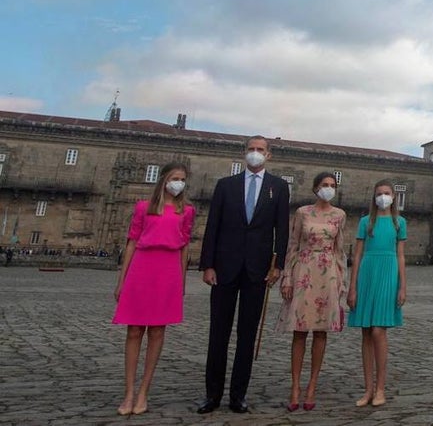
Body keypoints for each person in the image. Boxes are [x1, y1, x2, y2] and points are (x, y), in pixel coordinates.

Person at [197, 136, 290, 415]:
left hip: (257, 270)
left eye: (260, 150)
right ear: (243, 152)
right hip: (224, 267)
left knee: (247, 335)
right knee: (218, 333)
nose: (255, 153)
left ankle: (238, 395)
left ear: (269, 155)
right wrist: (208, 264)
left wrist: (278, 265)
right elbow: (213, 225)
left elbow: (281, 229)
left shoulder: (278, 187)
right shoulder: (226, 185)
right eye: (251, 149)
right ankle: (212, 394)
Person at [112, 162, 195, 416]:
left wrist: (181, 281)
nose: (178, 183)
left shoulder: (187, 211)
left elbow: (184, 248)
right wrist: (122, 280)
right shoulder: (143, 207)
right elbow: (131, 242)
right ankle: (128, 392)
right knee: (134, 331)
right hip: (141, 268)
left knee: (157, 331)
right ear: (164, 180)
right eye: (175, 178)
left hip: (168, 270)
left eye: (183, 179)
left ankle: (143, 391)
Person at [276, 172, 347, 411]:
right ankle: (295, 386)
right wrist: (287, 277)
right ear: (316, 188)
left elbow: (339, 250)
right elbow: (293, 245)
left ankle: (312, 386)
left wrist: (342, 281)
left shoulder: (340, 215)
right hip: (304, 270)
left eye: (332, 185)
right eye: (325, 184)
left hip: (328, 273)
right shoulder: (302, 213)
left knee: (320, 332)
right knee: (299, 332)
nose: (329, 188)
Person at [347, 180, 407, 407]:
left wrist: (402, 286)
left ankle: (381, 387)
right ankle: (368, 389)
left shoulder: (399, 222)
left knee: (378, 331)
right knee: (366, 332)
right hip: (367, 273)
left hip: (388, 273)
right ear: (374, 197)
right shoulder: (365, 222)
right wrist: (352, 286)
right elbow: (357, 255)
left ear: (393, 196)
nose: (383, 197)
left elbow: (400, 255)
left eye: (387, 193)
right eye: (379, 193)